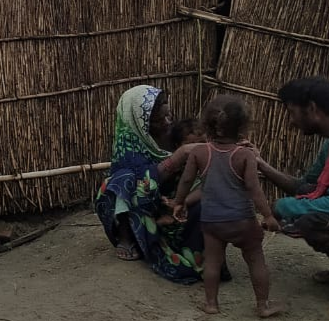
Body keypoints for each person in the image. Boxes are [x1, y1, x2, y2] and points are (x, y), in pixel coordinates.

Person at [173, 96, 283, 317]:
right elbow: (254, 189)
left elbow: (186, 180)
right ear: (243, 127)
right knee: (255, 259)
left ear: (207, 124)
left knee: (212, 261)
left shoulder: (199, 152)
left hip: (212, 221)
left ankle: (211, 304)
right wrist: (268, 215)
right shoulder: (244, 155)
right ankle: (263, 305)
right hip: (242, 220)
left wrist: (179, 202)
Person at [94, 85, 207, 284]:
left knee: (206, 197)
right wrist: (178, 157)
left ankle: (191, 248)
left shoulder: (175, 133)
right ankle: (127, 236)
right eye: (159, 120)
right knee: (120, 182)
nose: (167, 123)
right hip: (144, 210)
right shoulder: (129, 143)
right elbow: (141, 180)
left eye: (168, 116)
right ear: (140, 121)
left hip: (176, 202)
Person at [256, 76, 329, 281]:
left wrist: (282, 207)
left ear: (312, 108)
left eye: (292, 112)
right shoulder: (327, 146)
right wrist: (261, 164)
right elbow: (304, 187)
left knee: (311, 220)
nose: (291, 121)